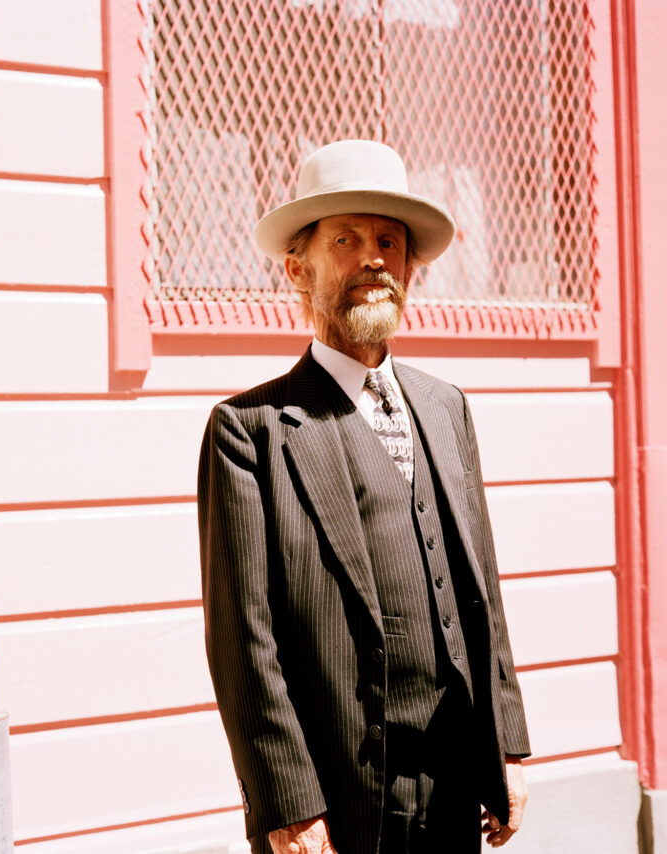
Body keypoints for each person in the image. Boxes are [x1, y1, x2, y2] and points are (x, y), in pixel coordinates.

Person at [197, 140, 530, 854]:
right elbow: (244, 643)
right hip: (339, 802)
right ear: (299, 270)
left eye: (389, 242)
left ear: (408, 270)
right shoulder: (250, 431)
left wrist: (505, 748)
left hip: (454, 786)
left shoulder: (446, 407)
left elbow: (484, 594)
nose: (373, 259)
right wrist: (288, 805)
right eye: (345, 241)